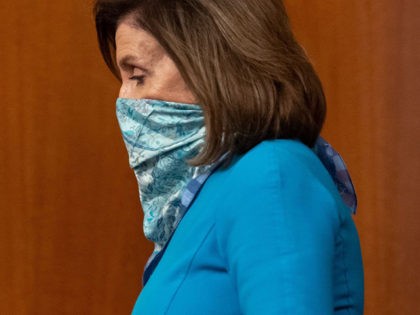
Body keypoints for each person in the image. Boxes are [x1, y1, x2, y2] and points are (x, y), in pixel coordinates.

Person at [93, 0, 364, 314]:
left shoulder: (272, 174)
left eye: (137, 75)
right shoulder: (212, 189)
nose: (124, 99)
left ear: (212, 63)